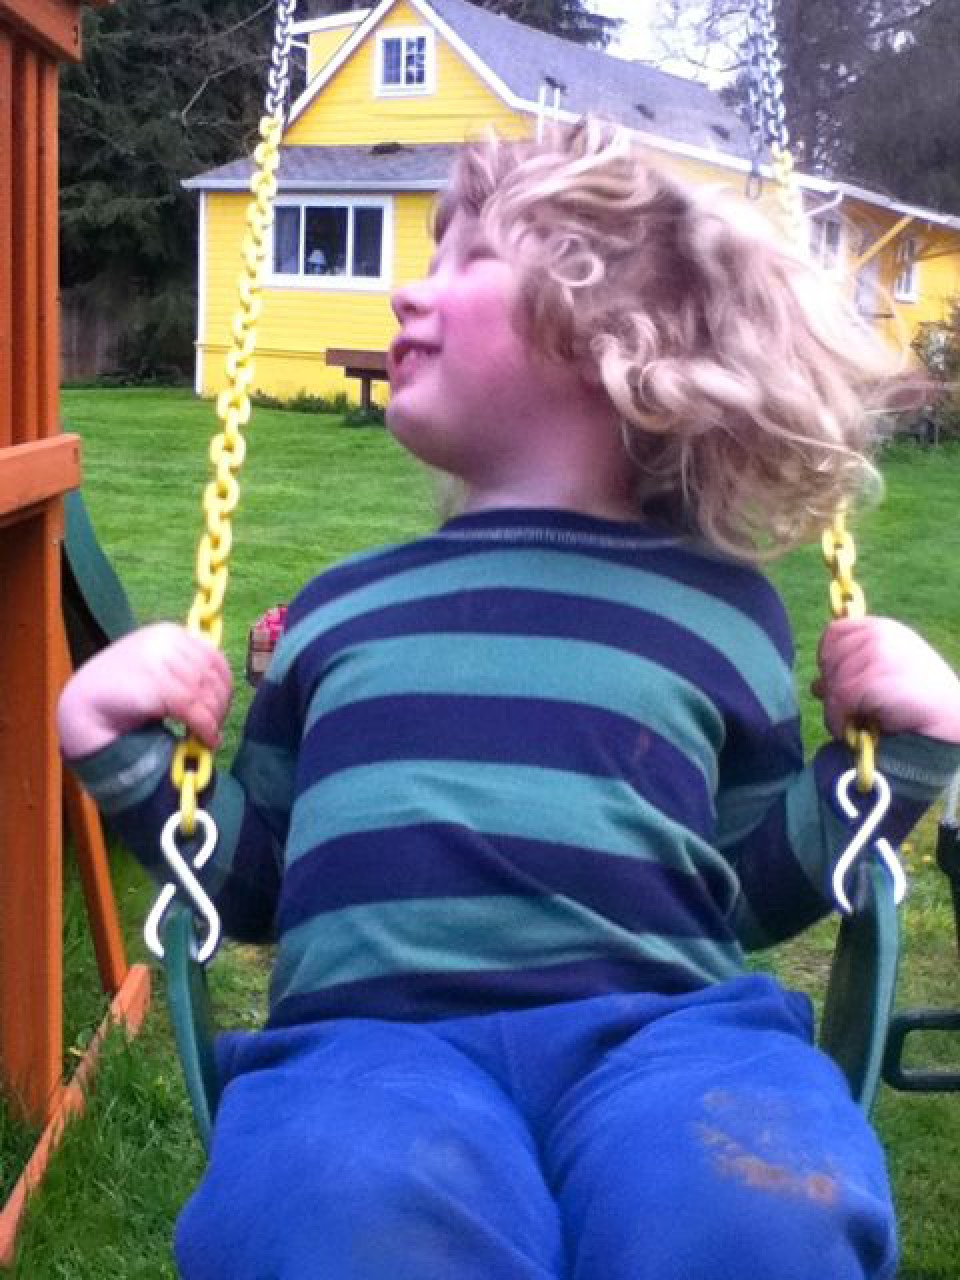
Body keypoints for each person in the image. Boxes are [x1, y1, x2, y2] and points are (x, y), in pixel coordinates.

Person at [58, 119, 960, 1280]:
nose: (406, 290)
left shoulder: (722, 612)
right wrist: (125, 750)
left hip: (670, 1044)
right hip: (366, 1055)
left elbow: (747, 882)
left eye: (467, 256)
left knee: (758, 1211)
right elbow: (262, 875)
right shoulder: (338, 611)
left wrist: (904, 752)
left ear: (614, 330)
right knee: (330, 1212)